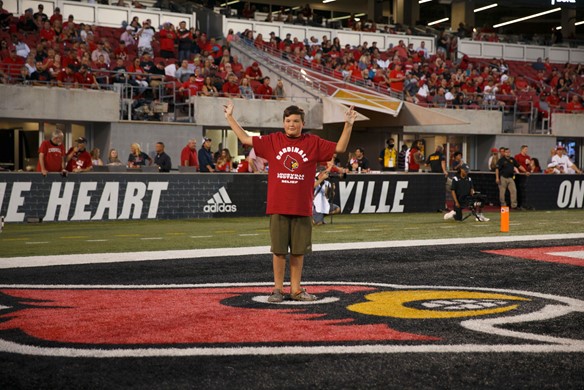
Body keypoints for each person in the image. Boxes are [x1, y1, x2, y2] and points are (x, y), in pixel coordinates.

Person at [223, 101, 356, 302]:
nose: (291, 124)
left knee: (298, 251)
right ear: (283, 123)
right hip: (278, 205)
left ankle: (295, 289)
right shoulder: (272, 140)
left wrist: (348, 124)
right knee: (278, 251)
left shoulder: (313, 142)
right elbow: (244, 137)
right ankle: (278, 289)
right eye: (287, 121)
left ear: (302, 123)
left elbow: (340, 147)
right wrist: (230, 118)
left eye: (295, 121)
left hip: (302, 207)